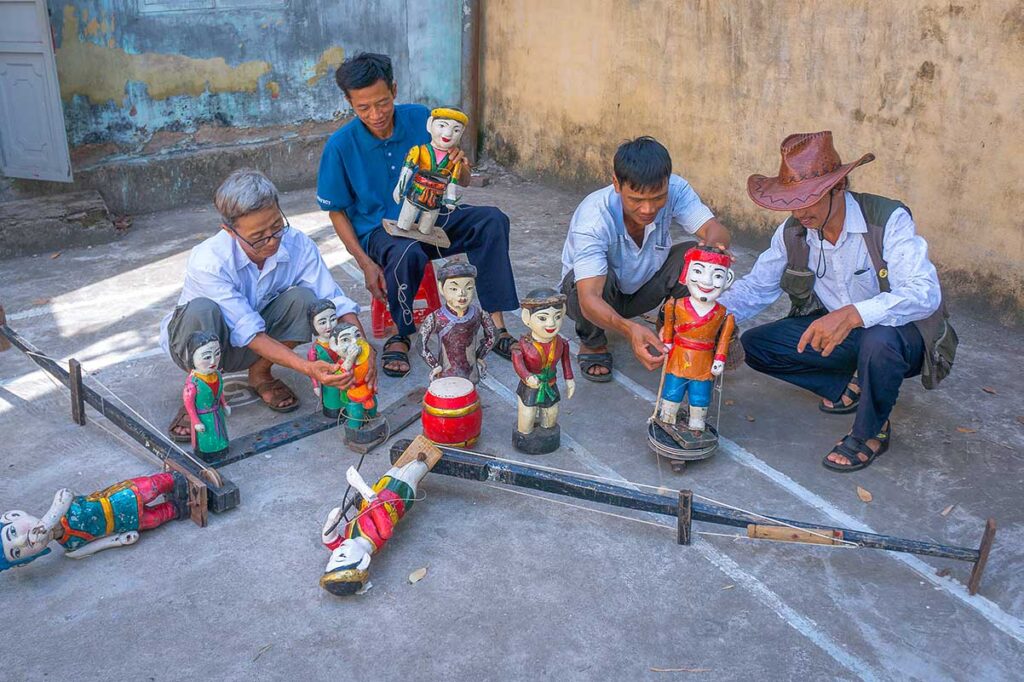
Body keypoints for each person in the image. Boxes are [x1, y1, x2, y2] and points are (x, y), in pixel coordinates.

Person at [719, 131, 950, 472]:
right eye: (793, 200)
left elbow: (924, 293)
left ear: (838, 187)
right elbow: (756, 288)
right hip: (845, 337)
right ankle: (847, 387)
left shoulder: (887, 219)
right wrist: (708, 313)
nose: (799, 211)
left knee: (879, 340)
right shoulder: (793, 231)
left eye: (809, 198)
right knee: (755, 345)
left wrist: (853, 314)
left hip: (902, 339)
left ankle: (870, 432)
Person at [316, 52, 519, 379]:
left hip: (432, 217)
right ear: (349, 103)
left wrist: (461, 166)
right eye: (363, 108)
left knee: (491, 221)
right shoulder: (340, 146)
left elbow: (462, 180)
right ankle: (402, 333)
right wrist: (365, 263)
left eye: (382, 103)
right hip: (382, 232)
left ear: (394, 90)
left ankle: (497, 327)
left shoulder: (422, 119)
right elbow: (336, 212)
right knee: (405, 252)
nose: (375, 114)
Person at [160, 169, 369, 442]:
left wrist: (363, 350)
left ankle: (260, 374)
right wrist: (307, 368)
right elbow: (248, 332)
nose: (272, 241)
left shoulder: (297, 244)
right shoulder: (209, 260)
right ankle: (200, 394)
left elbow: (334, 300)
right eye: (258, 237)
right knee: (201, 310)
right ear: (229, 231)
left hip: (255, 340)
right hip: (199, 344)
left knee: (308, 301)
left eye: (277, 226)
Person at [560, 136, 731, 382]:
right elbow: (589, 299)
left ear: (667, 183)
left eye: (658, 198)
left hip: (643, 290)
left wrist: (715, 251)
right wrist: (630, 330)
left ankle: (673, 325)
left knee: (697, 258)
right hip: (593, 298)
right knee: (590, 282)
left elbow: (714, 229)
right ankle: (593, 343)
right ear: (616, 184)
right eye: (636, 200)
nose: (648, 209)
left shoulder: (677, 189)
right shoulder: (594, 217)